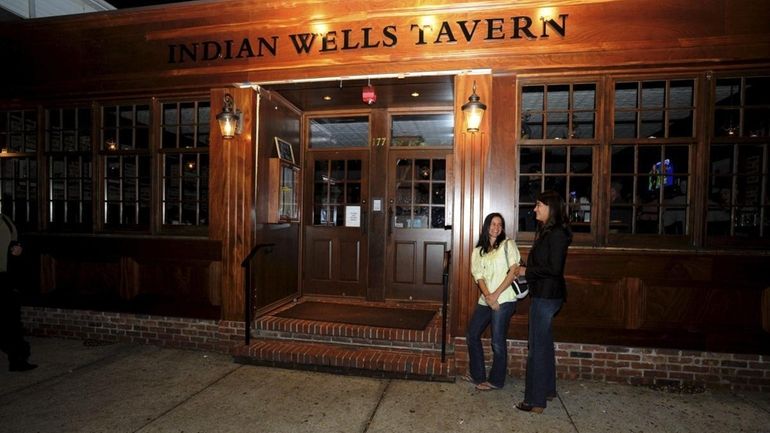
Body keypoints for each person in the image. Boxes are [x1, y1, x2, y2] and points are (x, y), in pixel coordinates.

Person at [515, 190, 571, 413]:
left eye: (539, 205)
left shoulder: (557, 234)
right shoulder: (550, 232)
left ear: (551, 208)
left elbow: (554, 269)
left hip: (547, 297)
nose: (535, 208)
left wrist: (526, 270)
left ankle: (535, 401)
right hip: (546, 295)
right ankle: (547, 389)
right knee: (544, 345)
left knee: (536, 349)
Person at [463, 213, 520, 391]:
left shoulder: (507, 244)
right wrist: (488, 296)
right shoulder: (478, 250)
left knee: (497, 341)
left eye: (500, 224)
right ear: (487, 226)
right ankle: (478, 375)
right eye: (493, 224)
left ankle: (496, 380)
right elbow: (478, 276)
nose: (496, 227)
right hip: (486, 300)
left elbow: (514, 271)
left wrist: (495, 295)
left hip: (504, 299)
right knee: (472, 335)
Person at [0, 210, 37, 372]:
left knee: (11, 319)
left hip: (6, 276)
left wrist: (18, 249)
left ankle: (17, 359)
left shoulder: (4, 218)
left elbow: (17, 239)